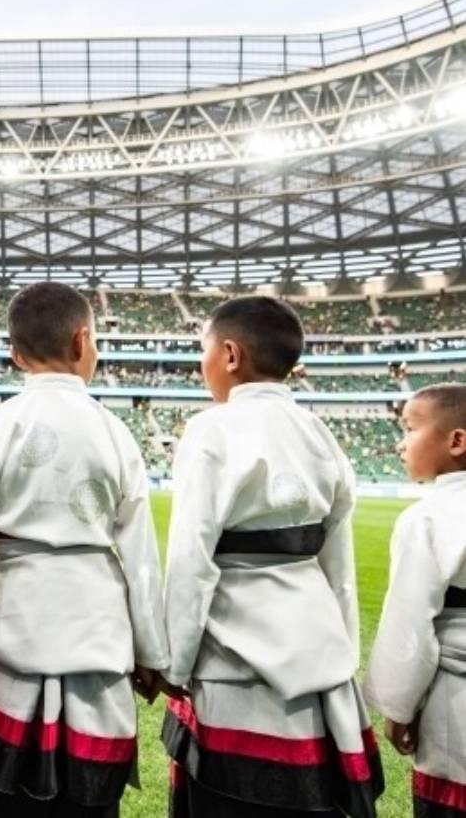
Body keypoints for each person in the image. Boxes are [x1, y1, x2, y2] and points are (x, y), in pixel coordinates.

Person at [161, 296, 382, 818]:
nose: (203, 366)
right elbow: (339, 564)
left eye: (204, 352)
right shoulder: (319, 432)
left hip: (233, 660)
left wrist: (173, 662)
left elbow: (191, 560)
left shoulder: (210, 429)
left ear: (230, 355)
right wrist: (342, 649)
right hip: (316, 656)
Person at [0, 282, 169, 817]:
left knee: (0, 797)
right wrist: (153, 653)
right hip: (96, 637)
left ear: (14, 353)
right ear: (83, 341)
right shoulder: (114, 432)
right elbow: (141, 557)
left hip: (11, 633)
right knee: (89, 803)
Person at [365, 384, 466, 817]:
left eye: (410, 428)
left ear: (456, 441)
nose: (401, 443)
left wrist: (398, 707)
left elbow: (410, 623)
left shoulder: (429, 516)